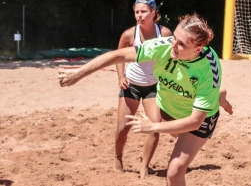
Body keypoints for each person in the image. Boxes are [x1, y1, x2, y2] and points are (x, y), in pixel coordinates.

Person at [58, 13, 232, 186]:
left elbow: (194, 122)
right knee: (173, 132)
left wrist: (153, 126)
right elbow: (117, 55)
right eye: (174, 38)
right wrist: (78, 73)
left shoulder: (208, 69)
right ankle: (217, 95)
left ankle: (216, 97)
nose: (174, 45)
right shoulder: (163, 46)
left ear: (198, 49)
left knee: (174, 171)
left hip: (197, 119)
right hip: (169, 106)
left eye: (181, 44)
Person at [114, 0, 172, 177]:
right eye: (137, 12)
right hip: (131, 84)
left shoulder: (165, 34)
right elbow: (118, 56)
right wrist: (121, 76)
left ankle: (144, 166)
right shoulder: (129, 34)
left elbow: (172, 58)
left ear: (153, 13)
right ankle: (117, 158)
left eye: (144, 12)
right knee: (123, 128)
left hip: (154, 86)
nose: (139, 15)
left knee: (155, 126)